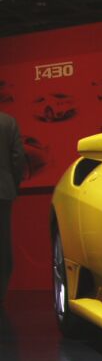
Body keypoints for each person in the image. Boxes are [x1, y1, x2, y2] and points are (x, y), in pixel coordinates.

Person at [0, 111, 25, 307]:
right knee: (2, 245)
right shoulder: (8, 122)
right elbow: (18, 158)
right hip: (2, 191)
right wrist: (13, 185)